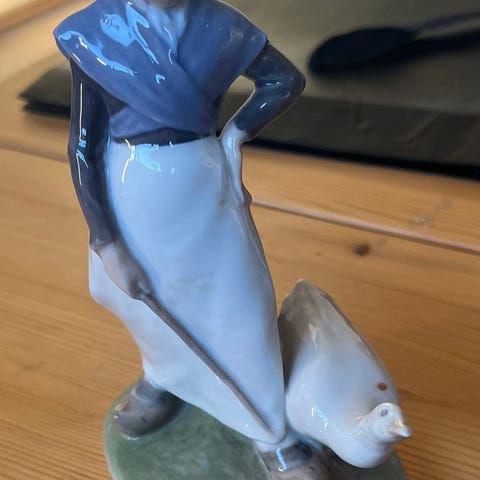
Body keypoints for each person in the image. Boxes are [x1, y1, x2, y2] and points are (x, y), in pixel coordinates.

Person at [54, 0, 324, 478]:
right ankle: (164, 375)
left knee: (240, 301)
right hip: (130, 186)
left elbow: (284, 81)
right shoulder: (94, 31)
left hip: (201, 177)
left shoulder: (220, 24)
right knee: (149, 298)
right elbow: (82, 145)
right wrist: (106, 242)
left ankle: (270, 430)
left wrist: (235, 134)